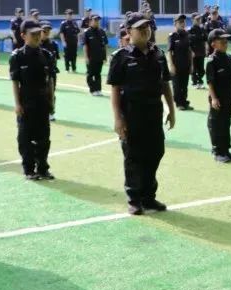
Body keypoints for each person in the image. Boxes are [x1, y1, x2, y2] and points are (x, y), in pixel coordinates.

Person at [108, 12, 175, 215]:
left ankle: (148, 197)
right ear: (129, 31)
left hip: (153, 113)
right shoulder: (120, 57)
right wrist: (118, 118)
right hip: (131, 114)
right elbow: (115, 90)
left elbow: (165, 84)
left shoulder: (158, 54)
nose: (146, 30)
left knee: (156, 152)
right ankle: (135, 199)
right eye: (140, 28)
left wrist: (171, 110)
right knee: (133, 157)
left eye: (147, 26)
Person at [10, 20, 56, 181]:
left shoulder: (47, 55)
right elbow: (15, 82)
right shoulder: (17, 56)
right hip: (26, 102)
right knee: (25, 138)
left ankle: (43, 168)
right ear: (23, 36)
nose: (37, 36)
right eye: (33, 34)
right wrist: (17, 104)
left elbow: (50, 80)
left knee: (44, 138)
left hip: (43, 101)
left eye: (39, 33)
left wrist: (52, 100)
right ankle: (29, 169)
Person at [205, 28, 231, 163]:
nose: (225, 43)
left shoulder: (229, 58)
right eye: (222, 40)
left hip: (228, 97)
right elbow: (210, 82)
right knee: (216, 124)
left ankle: (226, 149)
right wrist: (214, 98)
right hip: (218, 98)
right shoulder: (211, 61)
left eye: (226, 40)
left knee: (226, 123)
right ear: (213, 44)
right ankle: (217, 151)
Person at [166, 14, 194, 112]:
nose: (183, 24)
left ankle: (184, 102)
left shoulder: (187, 35)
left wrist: (191, 65)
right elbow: (169, 51)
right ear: (175, 24)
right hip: (176, 65)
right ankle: (179, 103)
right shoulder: (172, 36)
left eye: (184, 22)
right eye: (180, 22)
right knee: (177, 86)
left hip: (186, 64)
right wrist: (171, 65)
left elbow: (189, 51)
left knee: (184, 85)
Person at [83, 14, 108, 96]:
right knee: (90, 74)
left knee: (98, 74)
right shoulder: (87, 32)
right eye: (95, 20)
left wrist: (105, 57)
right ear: (90, 21)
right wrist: (86, 57)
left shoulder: (102, 32)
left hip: (100, 57)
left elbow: (105, 45)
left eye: (98, 20)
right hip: (91, 57)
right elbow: (85, 46)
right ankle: (92, 89)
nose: (97, 22)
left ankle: (98, 89)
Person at [40, 22, 61, 120]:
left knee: (51, 93)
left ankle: (51, 112)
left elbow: (56, 58)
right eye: (44, 31)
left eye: (48, 31)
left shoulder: (53, 44)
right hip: (39, 73)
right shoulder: (36, 44)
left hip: (51, 73)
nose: (47, 33)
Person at [189, 14, 208, 89]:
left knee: (201, 69)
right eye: (197, 19)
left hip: (201, 52)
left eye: (199, 19)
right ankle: (194, 82)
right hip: (193, 52)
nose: (198, 21)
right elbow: (188, 43)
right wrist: (191, 51)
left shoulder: (202, 29)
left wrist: (206, 49)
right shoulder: (190, 30)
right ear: (192, 20)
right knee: (194, 69)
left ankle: (200, 81)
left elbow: (205, 40)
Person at [59, 9, 81, 73]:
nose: (70, 16)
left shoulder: (74, 23)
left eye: (71, 14)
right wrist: (63, 42)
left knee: (74, 55)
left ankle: (74, 68)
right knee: (67, 56)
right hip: (67, 43)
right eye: (68, 14)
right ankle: (67, 69)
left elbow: (77, 33)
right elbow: (61, 33)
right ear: (66, 15)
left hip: (74, 42)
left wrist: (78, 41)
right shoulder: (63, 24)